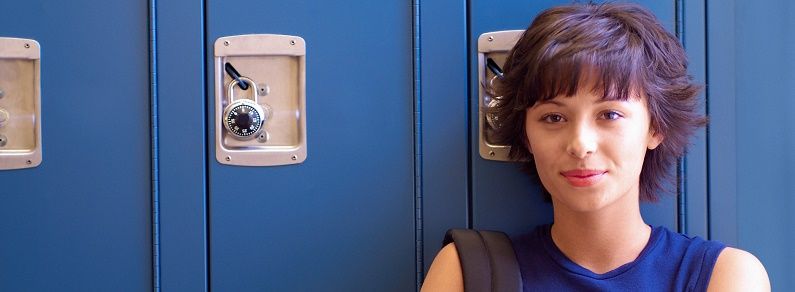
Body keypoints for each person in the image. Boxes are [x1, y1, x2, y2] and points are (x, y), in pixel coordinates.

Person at [421, 2, 770, 291]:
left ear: (656, 127)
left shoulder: (725, 277)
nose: (580, 144)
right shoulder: (467, 274)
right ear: (525, 135)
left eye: (610, 114)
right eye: (553, 118)